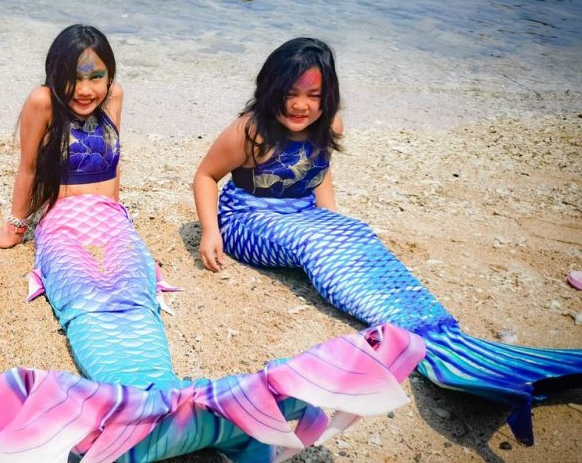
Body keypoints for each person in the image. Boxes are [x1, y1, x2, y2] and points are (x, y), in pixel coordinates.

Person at [0, 25, 424, 462]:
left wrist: (119, 222)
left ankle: (161, 399)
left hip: (111, 219)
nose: (86, 89)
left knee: (133, 291)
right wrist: (16, 228)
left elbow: (113, 167)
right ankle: (151, 402)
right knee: (86, 295)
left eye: (96, 76)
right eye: (74, 77)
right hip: (61, 220)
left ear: (110, 75)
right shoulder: (42, 101)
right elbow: (28, 168)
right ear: (55, 74)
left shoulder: (115, 96)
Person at [192, 37, 582, 445]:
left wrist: (333, 219)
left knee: (356, 233)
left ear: (329, 97)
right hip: (246, 218)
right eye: (290, 93)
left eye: (314, 95)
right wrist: (210, 230)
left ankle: (440, 333)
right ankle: (427, 346)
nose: (300, 105)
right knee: (311, 240)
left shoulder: (329, 125)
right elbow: (205, 176)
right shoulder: (250, 132)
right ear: (269, 88)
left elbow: (319, 170)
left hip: (302, 213)